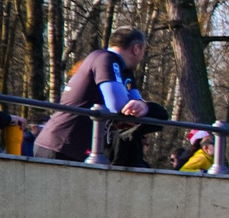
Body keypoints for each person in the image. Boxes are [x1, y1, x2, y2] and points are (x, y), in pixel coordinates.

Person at [37, 29, 151, 163]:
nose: (142, 58)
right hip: (61, 146)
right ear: (136, 49)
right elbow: (118, 106)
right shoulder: (106, 58)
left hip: (75, 149)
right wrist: (139, 109)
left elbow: (138, 104)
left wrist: (142, 106)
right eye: (143, 52)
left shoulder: (124, 70)